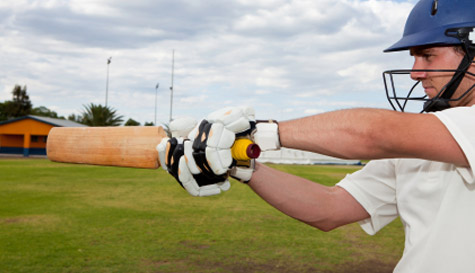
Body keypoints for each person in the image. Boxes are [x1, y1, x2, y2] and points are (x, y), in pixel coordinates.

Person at [157, 0, 475, 271]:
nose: (416, 72)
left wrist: (256, 132)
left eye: (428, 56)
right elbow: (329, 207)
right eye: (414, 58)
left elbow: (372, 133)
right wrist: (236, 161)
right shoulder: (418, 145)